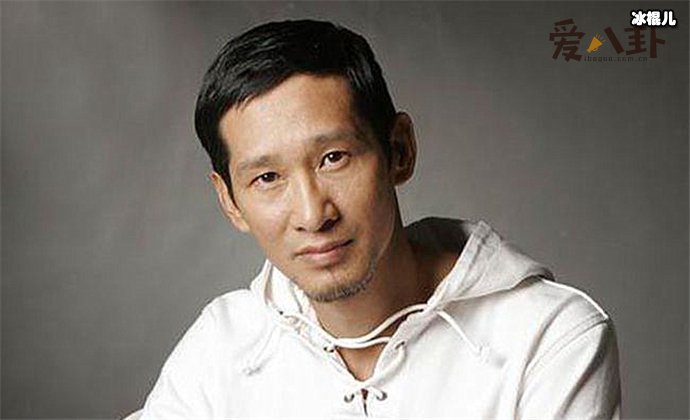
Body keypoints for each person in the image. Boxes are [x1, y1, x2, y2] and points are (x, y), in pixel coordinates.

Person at [139, 19, 620, 419]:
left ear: (399, 150)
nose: (312, 214)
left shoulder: (549, 334)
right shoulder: (222, 344)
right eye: (267, 177)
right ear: (229, 201)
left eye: (334, 158)